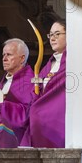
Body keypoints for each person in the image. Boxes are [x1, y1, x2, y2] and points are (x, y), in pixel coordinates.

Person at [20, 19, 67, 148]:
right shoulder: (49, 65)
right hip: (41, 120)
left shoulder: (72, 61)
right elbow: (37, 90)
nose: (52, 38)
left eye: (57, 34)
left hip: (58, 119)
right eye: (50, 34)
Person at [0, 38, 35, 143]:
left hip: (19, 138)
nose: (4, 58)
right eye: (3, 55)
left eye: (9, 55)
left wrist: (2, 106)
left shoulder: (29, 81)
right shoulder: (4, 81)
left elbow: (28, 114)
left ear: (22, 58)